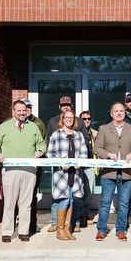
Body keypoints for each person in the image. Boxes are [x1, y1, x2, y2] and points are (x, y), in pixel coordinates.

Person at [0, 100, 46, 243]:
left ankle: (23, 232)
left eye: (24, 110)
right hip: (10, 170)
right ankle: (7, 231)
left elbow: (42, 143)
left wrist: (40, 151)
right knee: (9, 202)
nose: (22, 113)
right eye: (19, 110)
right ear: (13, 111)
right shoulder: (4, 126)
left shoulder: (33, 127)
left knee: (26, 203)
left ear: (27, 111)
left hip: (29, 170)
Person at [93, 102, 131, 241]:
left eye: (121, 111)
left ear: (125, 113)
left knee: (124, 203)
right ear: (111, 113)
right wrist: (108, 154)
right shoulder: (103, 129)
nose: (119, 113)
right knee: (105, 202)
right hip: (109, 172)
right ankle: (101, 230)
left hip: (126, 172)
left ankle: (121, 230)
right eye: (116, 111)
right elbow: (97, 149)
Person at [45, 96, 90, 233]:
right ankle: (60, 229)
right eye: (66, 118)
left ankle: (69, 227)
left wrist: (79, 164)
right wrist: (60, 164)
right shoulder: (56, 135)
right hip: (61, 173)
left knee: (74, 200)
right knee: (63, 200)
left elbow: (83, 152)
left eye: (71, 118)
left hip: (75, 173)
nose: (69, 120)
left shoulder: (79, 135)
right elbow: (50, 153)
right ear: (62, 119)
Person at [21, 98, 47, 235]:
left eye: (29, 106)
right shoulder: (12, 123)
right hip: (19, 166)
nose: (27, 109)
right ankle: (15, 225)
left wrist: (40, 152)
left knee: (32, 196)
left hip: (35, 165)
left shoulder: (38, 123)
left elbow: (44, 142)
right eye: (25, 107)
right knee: (17, 197)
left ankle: (32, 225)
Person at [79, 110, 98, 226]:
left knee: (88, 192)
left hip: (90, 165)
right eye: (84, 119)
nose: (86, 121)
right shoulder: (76, 132)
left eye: (88, 119)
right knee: (78, 192)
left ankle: (85, 215)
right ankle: (78, 216)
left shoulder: (94, 133)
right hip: (77, 166)